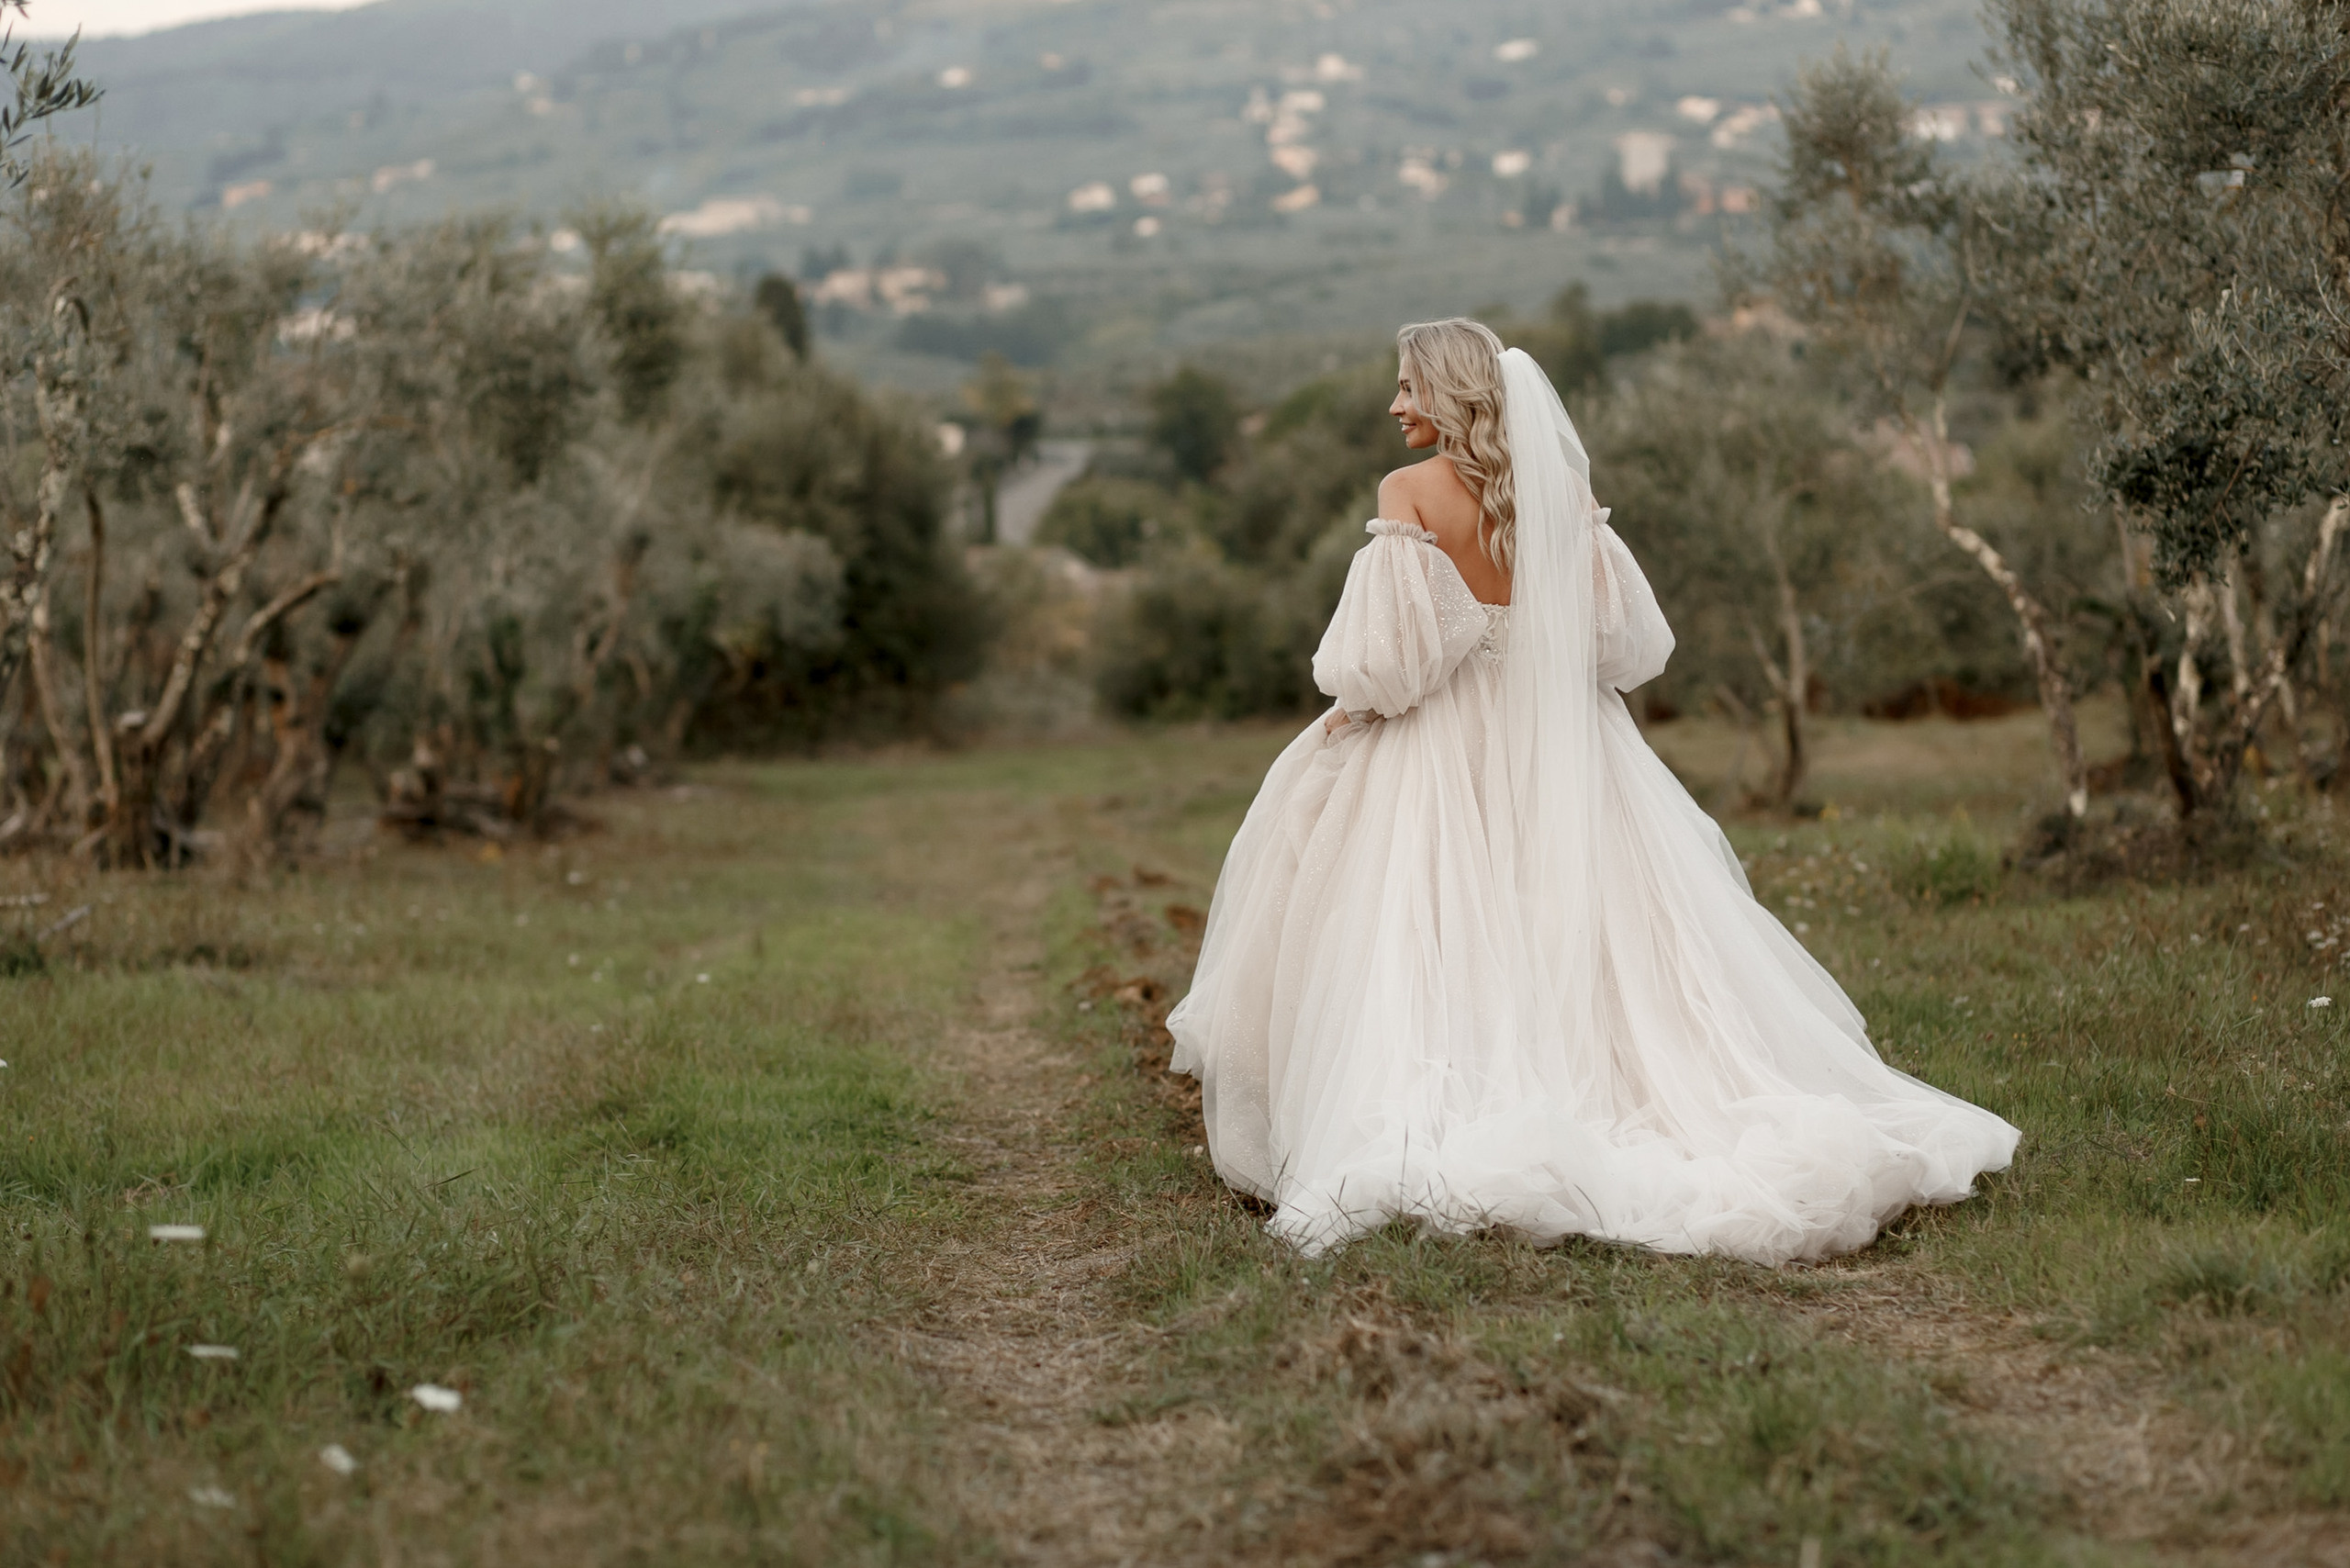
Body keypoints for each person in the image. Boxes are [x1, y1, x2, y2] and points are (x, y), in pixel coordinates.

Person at [1165, 318, 2019, 1265]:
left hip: (1442, 745)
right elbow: (1622, 647)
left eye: (1408, 386)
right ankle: (1613, 1093)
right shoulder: (1564, 490)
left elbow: (1388, 665)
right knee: (1604, 934)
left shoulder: (1406, 492)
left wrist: (1347, 710)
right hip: (1570, 745)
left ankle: (1452, 1106)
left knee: (1426, 929)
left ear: (1451, 393)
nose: (1395, 405)